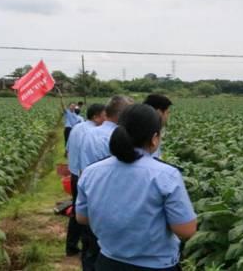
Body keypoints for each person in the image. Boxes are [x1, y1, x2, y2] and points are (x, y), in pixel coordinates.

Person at [76, 104, 197, 270]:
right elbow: (186, 230)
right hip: (155, 266)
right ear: (154, 138)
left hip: (108, 261)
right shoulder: (166, 175)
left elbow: (82, 218)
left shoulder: (91, 172)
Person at [77, 95, 134, 270]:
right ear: (122, 115)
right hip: (115, 207)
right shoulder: (122, 138)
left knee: (90, 250)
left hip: (91, 201)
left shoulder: (89, 133)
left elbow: (83, 169)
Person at [65, 103, 107, 256]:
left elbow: (68, 149)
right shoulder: (94, 133)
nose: (106, 119)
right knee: (87, 213)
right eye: (104, 115)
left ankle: (71, 246)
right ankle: (86, 248)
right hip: (85, 175)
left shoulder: (77, 127)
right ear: (96, 116)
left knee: (77, 210)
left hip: (75, 174)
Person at [143, 94, 172, 159]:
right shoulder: (150, 132)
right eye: (167, 112)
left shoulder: (137, 126)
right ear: (159, 112)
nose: (167, 116)